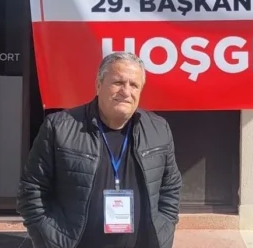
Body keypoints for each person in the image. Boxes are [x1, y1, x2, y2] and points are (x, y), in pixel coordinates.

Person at [17, 51, 182, 248]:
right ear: (98, 85)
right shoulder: (59, 128)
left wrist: (164, 230)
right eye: (118, 82)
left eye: (134, 85)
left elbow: (170, 188)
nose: (126, 91)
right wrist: (50, 240)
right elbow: (32, 189)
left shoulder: (159, 129)